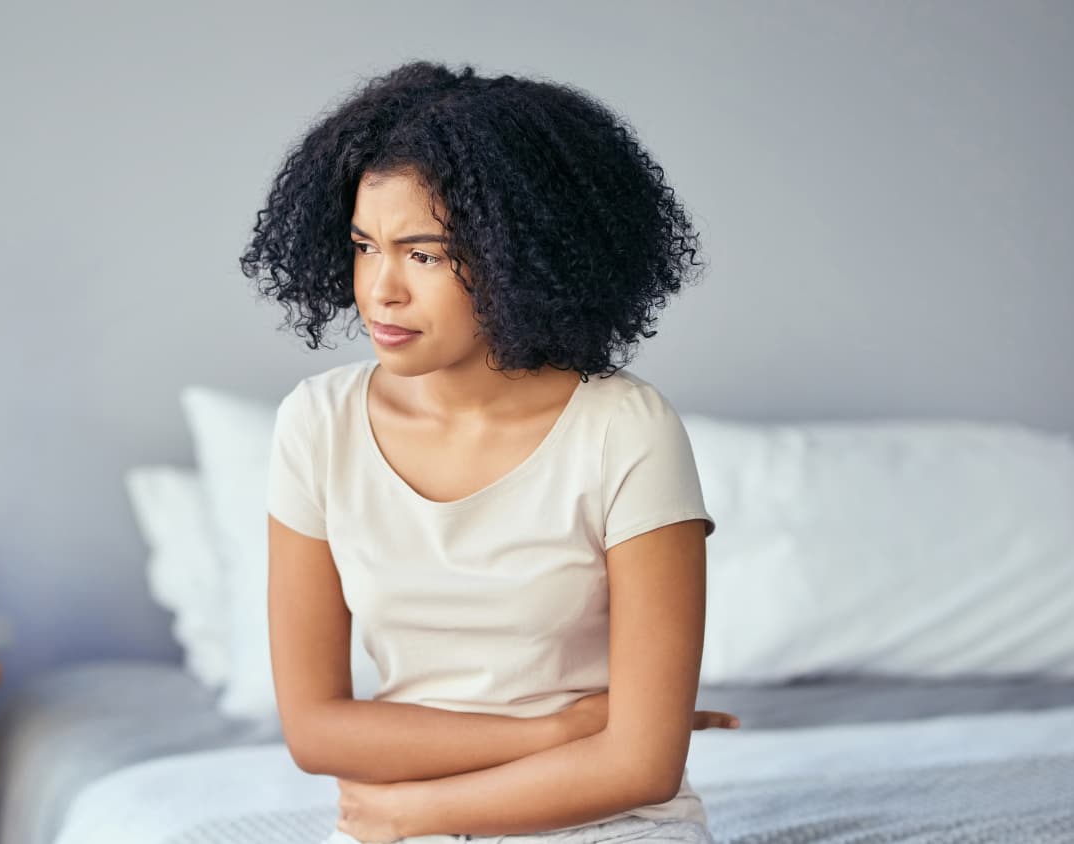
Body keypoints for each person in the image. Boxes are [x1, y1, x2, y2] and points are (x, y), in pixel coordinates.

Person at [241, 59, 737, 844]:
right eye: (365, 246)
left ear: (522, 257)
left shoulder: (624, 428)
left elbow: (640, 766)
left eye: (425, 254)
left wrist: (419, 808)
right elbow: (317, 732)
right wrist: (557, 732)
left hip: (604, 824)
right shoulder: (316, 424)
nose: (381, 290)